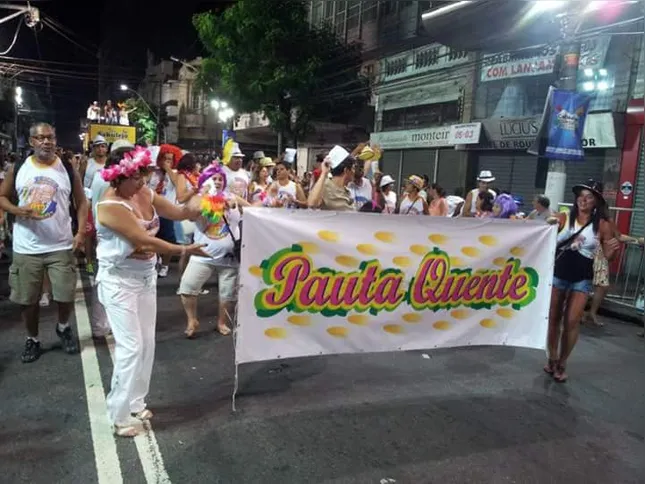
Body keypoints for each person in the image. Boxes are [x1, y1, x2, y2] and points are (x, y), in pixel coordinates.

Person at [95, 146, 206, 437]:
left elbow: (180, 212)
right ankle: (117, 415)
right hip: (118, 282)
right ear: (116, 178)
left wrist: (205, 203)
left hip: (145, 278)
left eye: (143, 174)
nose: (142, 182)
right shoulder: (109, 207)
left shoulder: (143, 193)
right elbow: (144, 242)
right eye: (135, 177)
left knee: (147, 343)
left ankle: (136, 401)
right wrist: (184, 248)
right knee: (131, 347)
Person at [0, 122, 88, 363]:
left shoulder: (67, 168)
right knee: (28, 299)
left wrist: (81, 233)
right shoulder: (19, 168)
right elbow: (2, 197)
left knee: (65, 295)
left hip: (60, 244)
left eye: (50, 137)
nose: (47, 142)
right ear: (32, 142)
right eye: (41, 138)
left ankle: (63, 327)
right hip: (26, 247)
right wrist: (18, 210)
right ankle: (33, 339)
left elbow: (81, 202)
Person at [544, 180, 620, 382]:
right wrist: (547, 223)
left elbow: (606, 257)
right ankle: (551, 357)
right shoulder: (563, 217)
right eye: (581, 195)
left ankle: (562, 361)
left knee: (572, 321)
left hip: (582, 279)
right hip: (558, 275)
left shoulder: (603, 225)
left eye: (589, 196)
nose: (583, 200)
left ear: (596, 201)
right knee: (553, 319)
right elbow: (545, 232)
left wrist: (611, 253)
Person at [307, 146, 355, 211]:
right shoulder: (326, 186)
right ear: (346, 170)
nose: (354, 171)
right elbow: (311, 203)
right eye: (353, 168)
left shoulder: (346, 190)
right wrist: (324, 173)